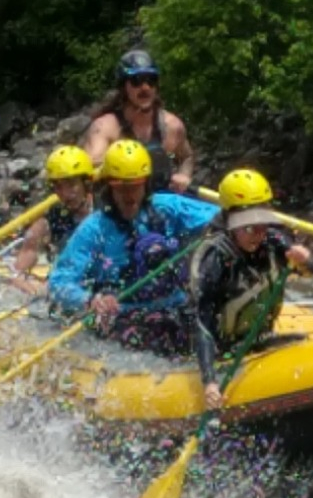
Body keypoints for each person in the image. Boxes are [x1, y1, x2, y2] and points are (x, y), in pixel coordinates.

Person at [47, 139, 218, 356]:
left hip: (175, 305)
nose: (129, 195)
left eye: (135, 186)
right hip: (124, 315)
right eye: (121, 188)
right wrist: (91, 301)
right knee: (155, 337)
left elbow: (220, 218)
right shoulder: (93, 229)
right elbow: (59, 283)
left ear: (145, 184)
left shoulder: (166, 207)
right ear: (109, 187)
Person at [189, 169, 313, 408]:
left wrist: (305, 261)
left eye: (262, 225)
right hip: (223, 350)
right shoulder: (214, 258)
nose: (257, 234)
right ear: (230, 222)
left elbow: (309, 271)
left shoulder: (273, 241)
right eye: (248, 227)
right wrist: (209, 383)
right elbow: (202, 322)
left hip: (260, 339)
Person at [81, 50, 197, 194]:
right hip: (120, 204)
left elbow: (186, 156)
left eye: (151, 80)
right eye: (137, 81)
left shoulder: (172, 126)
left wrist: (184, 175)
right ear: (124, 87)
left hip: (161, 203)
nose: (145, 88)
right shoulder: (105, 128)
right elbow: (90, 171)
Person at [7, 146, 96, 296]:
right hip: (66, 285)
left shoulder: (106, 211)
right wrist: (18, 277)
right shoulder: (55, 216)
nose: (66, 194)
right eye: (59, 187)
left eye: (71, 184)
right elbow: (30, 249)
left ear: (86, 183)